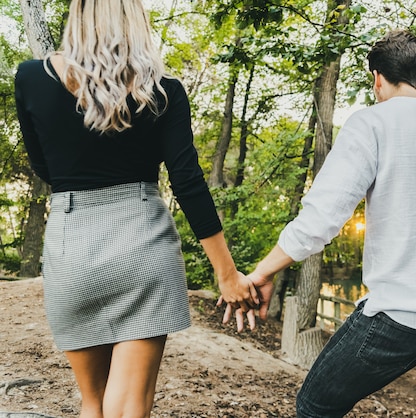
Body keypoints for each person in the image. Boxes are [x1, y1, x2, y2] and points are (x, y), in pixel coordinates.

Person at [228, 30, 416, 417]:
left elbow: (322, 218)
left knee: (314, 405)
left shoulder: (372, 124)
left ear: (377, 79)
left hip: (397, 318)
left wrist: (262, 272)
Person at [14, 1, 258, 417]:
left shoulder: (32, 77)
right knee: (126, 407)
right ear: (136, 21)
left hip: (73, 247)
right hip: (144, 247)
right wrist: (227, 274)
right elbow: (187, 182)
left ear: (78, 16)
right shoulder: (165, 91)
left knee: (93, 403)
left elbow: (44, 167)